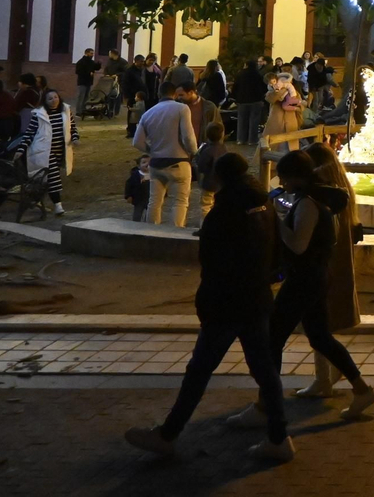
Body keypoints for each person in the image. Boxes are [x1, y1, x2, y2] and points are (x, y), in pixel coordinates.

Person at [124, 151, 293, 462]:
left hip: (227, 304)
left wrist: (206, 304)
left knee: (199, 371)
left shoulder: (224, 213)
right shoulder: (262, 204)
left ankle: (168, 433)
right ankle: (278, 435)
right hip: (256, 298)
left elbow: (212, 265)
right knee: (265, 370)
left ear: (221, 176)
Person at [230, 149, 374, 425]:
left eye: (284, 178)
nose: (282, 184)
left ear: (296, 177)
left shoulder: (308, 203)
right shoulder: (318, 199)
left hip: (304, 279)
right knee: (320, 336)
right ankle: (362, 389)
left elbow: (298, 244)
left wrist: (276, 219)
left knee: (273, 337)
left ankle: (266, 405)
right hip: (316, 277)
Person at [292, 143, 364, 399]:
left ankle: (325, 379)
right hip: (338, 261)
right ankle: (331, 375)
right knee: (322, 326)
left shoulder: (319, 192)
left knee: (317, 327)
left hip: (322, 264)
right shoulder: (340, 187)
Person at [133, 82, 198, 226]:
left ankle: (151, 232)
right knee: (180, 201)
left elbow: (137, 141)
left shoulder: (148, 114)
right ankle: (175, 232)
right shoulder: (182, 109)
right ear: (174, 94)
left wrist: (152, 150)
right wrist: (194, 152)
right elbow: (188, 136)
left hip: (156, 162)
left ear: (159, 94)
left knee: (154, 202)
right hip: (179, 160)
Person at [13, 88, 79, 216]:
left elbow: (72, 127)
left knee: (45, 180)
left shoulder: (66, 111)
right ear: (45, 101)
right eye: (50, 98)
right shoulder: (39, 115)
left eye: (55, 97)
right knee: (54, 177)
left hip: (61, 150)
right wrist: (21, 149)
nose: (54, 100)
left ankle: (34, 200)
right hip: (44, 151)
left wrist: (75, 138)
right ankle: (58, 205)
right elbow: (29, 133)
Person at [192, 121, 230, 224]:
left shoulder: (207, 150)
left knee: (205, 205)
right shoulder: (224, 148)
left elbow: (201, 167)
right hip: (221, 182)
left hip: (208, 182)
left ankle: (205, 224)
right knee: (218, 204)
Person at [232, 58, 267, 146]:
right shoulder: (258, 74)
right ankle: (252, 140)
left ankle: (241, 139)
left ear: (246, 65)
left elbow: (235, 87)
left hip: (242, 101)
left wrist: (235, 98)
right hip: (256, 101)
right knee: (254, 121)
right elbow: (263, 87)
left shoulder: (240, 74)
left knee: (242, 120)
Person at [266, 72, 304, 137]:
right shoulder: (272, 90)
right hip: (278, 115)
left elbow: (300, 106)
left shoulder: (292, 91)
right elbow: (270, 99)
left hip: (290, 116)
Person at [72, 48, 101, 117]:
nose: (92, 55)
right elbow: (78, 71)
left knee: (86, 97)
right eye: (91, 53)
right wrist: (88, 73)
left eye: (93, 53)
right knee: (81, 97)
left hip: (89, 82)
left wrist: (99, 64)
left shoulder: (91, 62)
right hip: (82, 82)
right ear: (86, 53)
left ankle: (84, 110)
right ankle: (78, 111)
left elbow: (96, 67)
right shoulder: (81, 62)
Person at [126, 154, 152, 222]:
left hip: (150, 199)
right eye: (144, 162)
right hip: (138, 199)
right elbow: (129, 185)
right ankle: (135, 225)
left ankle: (147, 224)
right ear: (138, 165)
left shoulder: (154, 175)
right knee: (137, 214)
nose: (147, 164)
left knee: (150, 213)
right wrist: (128, 196)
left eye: (150, 162)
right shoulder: (135, 175)